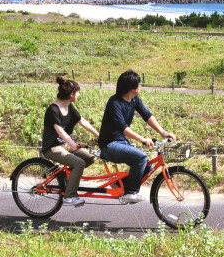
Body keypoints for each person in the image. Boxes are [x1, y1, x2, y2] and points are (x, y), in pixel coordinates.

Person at [98, 70, 176, 204]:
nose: (141, 86)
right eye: (139, 84)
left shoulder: (135, 100)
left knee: (147, 166)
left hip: (122, 142)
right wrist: (142, 139)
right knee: (141, 157)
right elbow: (123, 127)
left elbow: (147, 116)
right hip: (108, 145)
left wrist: (163, 132)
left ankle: (119, 184)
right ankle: (130, 192)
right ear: (131, 87)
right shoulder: (114, 102)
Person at [41, 76, 100, 208]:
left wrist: (99, 135)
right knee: (79, 163)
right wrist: (74, 145)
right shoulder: (53, 110)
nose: (79, 94)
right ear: (71, 94)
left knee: (90, 158)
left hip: (65, 145)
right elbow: (60, 131)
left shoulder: (70, 107)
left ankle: (67, 179)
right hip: (52, 148)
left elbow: (82, 121)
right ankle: (70, 196)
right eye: (78, 92)